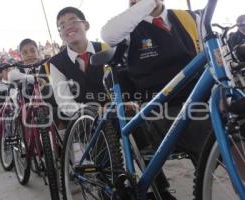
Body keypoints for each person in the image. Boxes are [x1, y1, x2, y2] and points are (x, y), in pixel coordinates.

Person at [101, 0, 210, 199]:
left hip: (199, 96)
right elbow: (107, 35)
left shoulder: (191, 17)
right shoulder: (128, 26)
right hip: (156, 106)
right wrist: (147, 3)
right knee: (202, 122)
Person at [49, 7, 108, 118]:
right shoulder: (56, 63)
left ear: (86, 25)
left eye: (73, 21)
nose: (68, 27)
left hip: (114, 113)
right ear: (60, 34)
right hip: (82, 122)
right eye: (62, 26)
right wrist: (94, 111)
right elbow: (65, 103)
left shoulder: (105, 49)